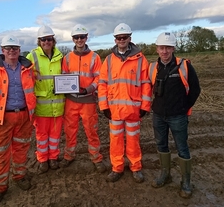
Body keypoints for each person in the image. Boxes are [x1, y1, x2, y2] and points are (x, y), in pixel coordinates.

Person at [0, 35, 36, 206]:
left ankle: (19, 176)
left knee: (21, 149)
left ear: (19, 50)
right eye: (8, 48)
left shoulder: (27, 69)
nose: (11, 50)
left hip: (24, 116)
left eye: (15, 48)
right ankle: (0, 187)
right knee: (0, 153)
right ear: (2, 50)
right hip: (2, 119)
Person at [148, 32, 201, 198]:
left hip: (178, 116)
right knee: (161, 145)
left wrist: (184, 107)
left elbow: (195, 89)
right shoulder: (152, 68)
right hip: (158, 115)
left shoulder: (184, 66)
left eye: (168, 47)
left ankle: (186, 182)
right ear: (157, 49)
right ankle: (166, 174)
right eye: (162, 47)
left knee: (182, 148)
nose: (165, 51)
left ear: (173, 48)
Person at [98, 23, 152, 183]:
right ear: (115, 40)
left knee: (134, 140)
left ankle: (136, 168)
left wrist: (145, 106)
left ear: (130, 38)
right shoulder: (108, 60)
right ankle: (117, 168)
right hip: (114, 111)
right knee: (115, 140)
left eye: (124, 37)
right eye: (119, 38)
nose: (122, 40)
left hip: (133, 110)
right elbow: (102, 84)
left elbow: (146, 84)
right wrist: (104, 106)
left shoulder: (141, 59)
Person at [59, 24, 106, 173]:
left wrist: (89, 89)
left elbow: (99, 78)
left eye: (82, 37)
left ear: (86, 38)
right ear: (73, 39)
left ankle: (96, 157)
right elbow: (63, 77)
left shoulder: (95, 57)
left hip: (88, 100)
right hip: (71, 101)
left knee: (91, 130)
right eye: (76, 37)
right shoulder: (67, 58)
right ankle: (69, 155)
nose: (79, 40)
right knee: (70, 130)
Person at [26, 25, 65, 174]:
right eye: (43, 39)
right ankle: (42, 160)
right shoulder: (32, 56)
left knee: (55, 135)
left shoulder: (60, 57)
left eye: (49, 39)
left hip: (58, 105)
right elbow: (25, 77)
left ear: (53, 41)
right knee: (42, 136)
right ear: (39, 41)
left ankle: (53, 158)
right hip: (41, 106)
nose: (46, 42)